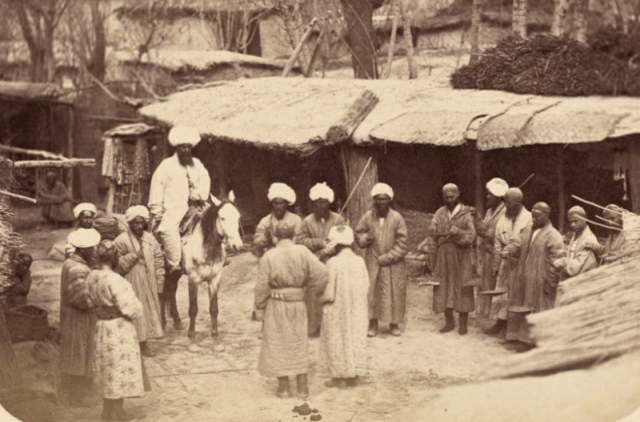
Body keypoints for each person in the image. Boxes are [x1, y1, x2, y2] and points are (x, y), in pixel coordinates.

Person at [254, 221, 328, 399]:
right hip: (298, 304)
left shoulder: (268, 256)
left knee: (278, 344)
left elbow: (262, 286)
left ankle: (284, 388)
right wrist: (312, 291)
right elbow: (322, 273)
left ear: (275, 237)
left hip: (276, 305)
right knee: (298, 342)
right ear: (294, 236)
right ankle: (303, 389)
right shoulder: (303, 252)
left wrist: (259, 307)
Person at [87, 240, 144, 422]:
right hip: (118, 327)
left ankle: (107, 410)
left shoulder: (92, 277)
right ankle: (116, 412)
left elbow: (89, 301)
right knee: (118, 367)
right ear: (114, 257)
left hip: (101, 326)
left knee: (107, 367)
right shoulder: (115, 279)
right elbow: (132, 308)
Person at [148, 125, 211, 276]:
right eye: (183, 147)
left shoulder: (197, 163)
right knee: (167, 230)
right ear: (176, 148)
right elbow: (157, 188)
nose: (186, 150)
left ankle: (214, 257)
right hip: (175, 207)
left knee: (218, 220)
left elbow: (205, 180)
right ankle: (175, 263)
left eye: (189, 147)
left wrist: (199, 194)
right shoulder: (166, 165)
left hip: (198, 204)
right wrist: (157, 211)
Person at [505, 202, 565, 344]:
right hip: (523, 277)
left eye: (537, 216)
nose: (533, 219)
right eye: (532, 216)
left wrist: (550, 283)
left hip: (540, 280)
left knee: (538, 310)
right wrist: (509, 250)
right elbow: (517, 244)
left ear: (546, 216)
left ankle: (536, 342)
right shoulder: (527, 230)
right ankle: (517, 338)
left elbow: (557, 262)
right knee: (520, 307)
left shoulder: (554, 235)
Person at [355, 183, 408, 338]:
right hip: (372, 262)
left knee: (395, 292)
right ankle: (373, 324)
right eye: (378, 199)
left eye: (384, 200)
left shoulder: (397, 218)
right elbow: (358, 234)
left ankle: (394, 324)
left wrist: (387, 258)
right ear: (374, 200)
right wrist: (366, 238)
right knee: (372, 292)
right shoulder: (367, 217)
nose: (381, 203)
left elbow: (403, 243)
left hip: (393, 264)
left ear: (389, 200)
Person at [319, 225, 369, 390]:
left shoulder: (333, 263)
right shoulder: (359, 261)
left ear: (335, 245)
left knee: (337, 338)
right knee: (355, 337)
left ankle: (339, 377)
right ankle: (353, 375)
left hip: (337, 309)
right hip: (357, 308)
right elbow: (366, 285)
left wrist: (320, 298)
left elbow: (328, 293)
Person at [114, 206, 165, 358]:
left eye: (141, 222)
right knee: (134, 314)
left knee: (148, 313)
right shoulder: (121, 241)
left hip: (149, 284)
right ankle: (134, 345)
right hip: (131, 284)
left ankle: (144, 344)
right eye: (135, 223)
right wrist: (133, 256)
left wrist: (160, 283)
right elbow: (116, 265)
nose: (139, 226)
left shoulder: (150, 239)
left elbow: (159, 261)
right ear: (129, 223)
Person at [427, 183, 476, 335]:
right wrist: (432, 257)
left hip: (461, 256)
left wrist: (458, 232)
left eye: (452, 196)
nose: (449, 200)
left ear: (458, 194)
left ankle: (463, 324)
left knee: (463, 287)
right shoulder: (440, 213)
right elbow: (432, 234)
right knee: (444, 287)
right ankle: (449, 322)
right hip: (443, 256)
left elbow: (471, 236)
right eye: (446, 197)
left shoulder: (466, 213)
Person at [297, 182, 345, 337]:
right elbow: (301, 241)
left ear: (329, 203)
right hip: (314, 264)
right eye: (317, 203)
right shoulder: (307, 221)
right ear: (313, 204)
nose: (321, 206)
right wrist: (319, 243)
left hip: (334, 263)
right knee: (313, 296)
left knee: (335, 295)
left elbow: (346, 240)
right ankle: (314, 327)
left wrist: (334, 247)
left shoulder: (338, 219)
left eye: (324, 202)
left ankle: (334, 329)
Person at [60, 228, 100, 406]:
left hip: (73, 316)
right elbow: (82, 300)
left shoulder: (72, 262)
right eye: (92, 248)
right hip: (79, 318)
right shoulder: (78, 269)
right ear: (83, 250)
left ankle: (73, 391)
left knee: (76, 351)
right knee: (79, 352)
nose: (95, 251)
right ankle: (76, 398)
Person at [486, 187, 532, 336]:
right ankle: (500, 322)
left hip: (521, 262)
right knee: (502, 294)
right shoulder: (503, 219)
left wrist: (513, 251)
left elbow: (527, 242)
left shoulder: (529, 218)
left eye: (508, 202)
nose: (505, 205)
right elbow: (498, 244)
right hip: (506, 263)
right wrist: (496, 265)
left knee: (518, 295)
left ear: (518, 202)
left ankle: (514, 327)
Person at [475, 178, 508, 318]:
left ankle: (494, 316)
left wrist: (483, 230)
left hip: (497, 254)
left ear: (498, 196)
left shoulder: (505, 212)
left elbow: (499, 234)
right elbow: (484, 228)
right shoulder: (489, 211)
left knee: (495, 284)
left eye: (490, 194)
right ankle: (485, 313)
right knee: (485, 283)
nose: (487, 196)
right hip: (486, 253)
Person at [253, 183, 302, 255]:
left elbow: (299, 239)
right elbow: (257, 242)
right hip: (273, 254)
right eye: (275, 203)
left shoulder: (296, 219)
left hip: (292, 253)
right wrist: (266, 236)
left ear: (286, 204)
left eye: (281, 203)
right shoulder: (265, 221)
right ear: (272, 204)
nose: (278, 206)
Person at [553, 206, 598, 280]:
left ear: (584, 219)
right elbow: (573, 254)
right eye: (570, 222)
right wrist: (564, 253)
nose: (572, 225)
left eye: (575, 221)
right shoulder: (576, 235)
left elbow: (575, 267)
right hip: (575, 279)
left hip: (584, 280)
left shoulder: (589, 239)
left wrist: (562, 261)